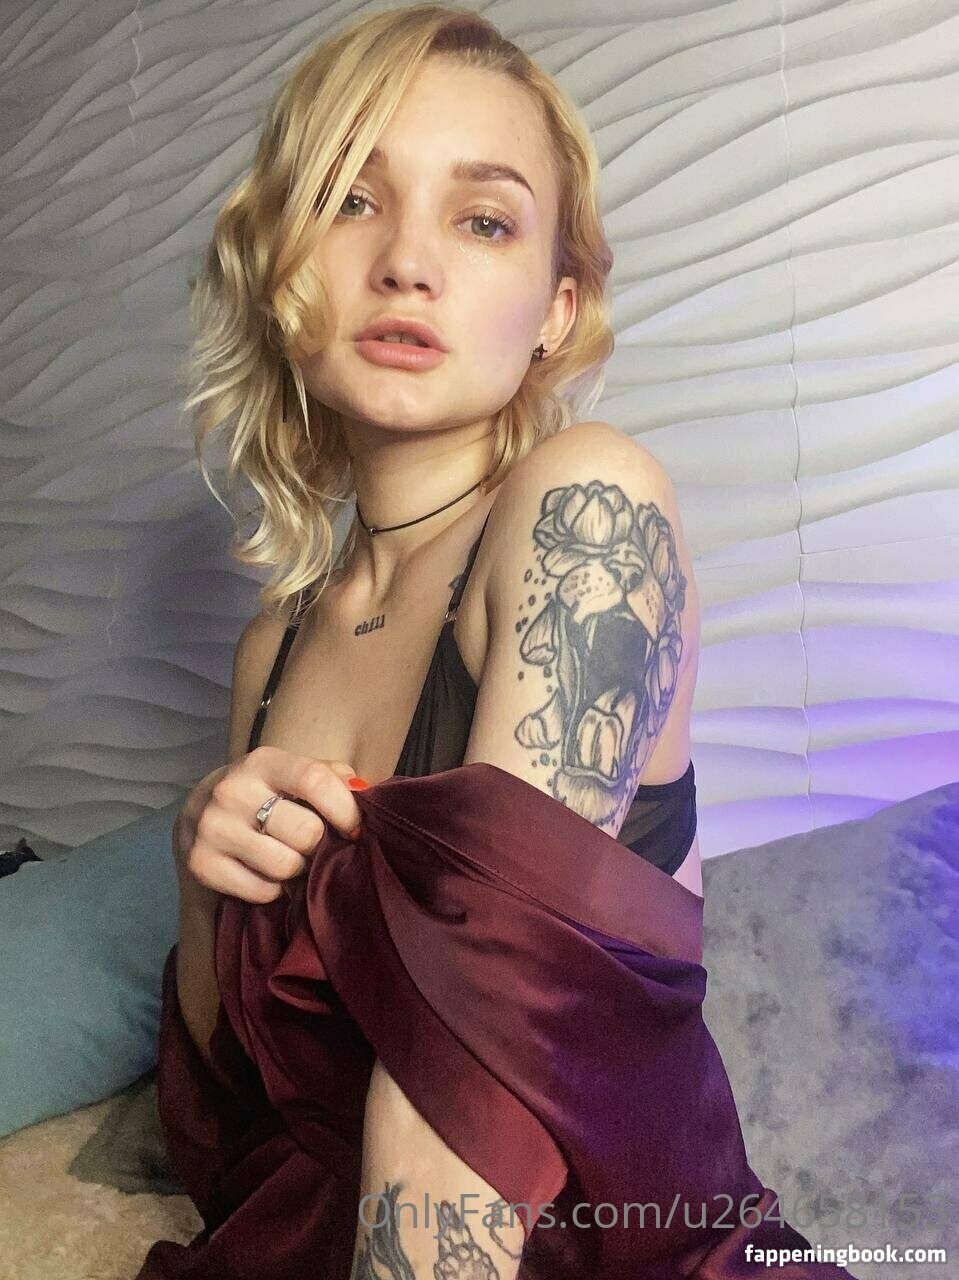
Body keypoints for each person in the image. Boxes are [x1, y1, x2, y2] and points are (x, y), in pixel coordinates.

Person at [139, 7, 852, 1279]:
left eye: (481, 221)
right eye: (351, 200)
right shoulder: (272, 649)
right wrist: (203, 880)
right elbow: (232, 1127)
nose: (407, 262)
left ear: (554, 308)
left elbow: (470, 1080)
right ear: (280, 259)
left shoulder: (587, 510)